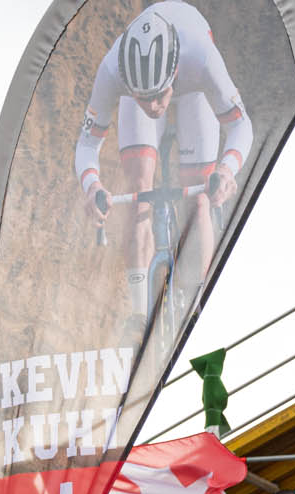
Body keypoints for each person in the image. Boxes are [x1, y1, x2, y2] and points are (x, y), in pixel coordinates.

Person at [75, 2, 253, 331]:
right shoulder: (112, 70)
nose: (154, 106)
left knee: (199, 196)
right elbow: (87, 144)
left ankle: (195, 310)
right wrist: (93, 187)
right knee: (138, 189)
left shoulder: (201, 58)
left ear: (173, 72)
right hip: (152, 79)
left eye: (159, 95)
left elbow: (241, 126)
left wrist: (227, 171)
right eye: (144, 97)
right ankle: (139, 317)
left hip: (194, 89)